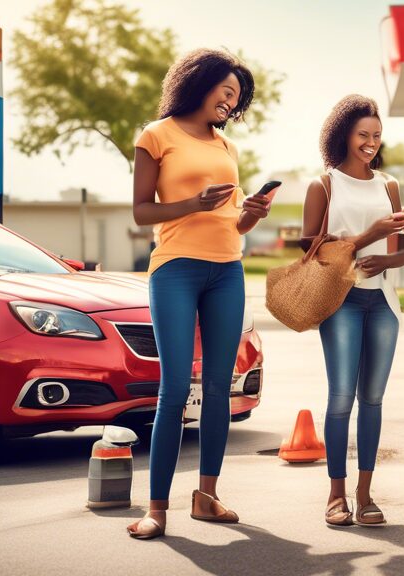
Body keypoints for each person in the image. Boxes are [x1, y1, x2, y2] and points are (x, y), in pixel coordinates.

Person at [128, 49, 272, 539]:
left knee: (218, 389)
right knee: (173, 390)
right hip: (176, 269)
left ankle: (207, 497)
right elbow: (142, 212)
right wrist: (193, 202)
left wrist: (253, 213)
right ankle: (157, 509)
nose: (230, 104)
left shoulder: (227, 148)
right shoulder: (156, 135)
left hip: (227, 269)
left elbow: (234, 221)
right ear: (199, 84)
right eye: (225, 93)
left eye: (237, 99)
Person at [301, 95, 404, 527]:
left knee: (374, 399)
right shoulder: (323, 185)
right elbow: (311, 252)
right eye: (363, 134)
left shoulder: (390, 185)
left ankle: (366, 494)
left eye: (377, 135)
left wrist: (384, 259)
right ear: (343, 134)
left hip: (383, 301)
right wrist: (370, 235)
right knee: (342, 398)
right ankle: (336, 495)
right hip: (341, 301)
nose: (370, 142)